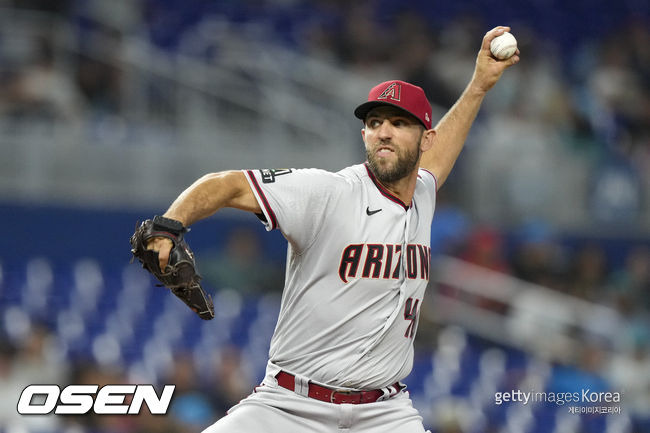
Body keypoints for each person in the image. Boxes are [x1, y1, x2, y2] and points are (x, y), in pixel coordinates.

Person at [144, 26, 519, 433]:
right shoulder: (328, 192)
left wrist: (479, 86)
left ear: (424, 139)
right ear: (364, 134)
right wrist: (168, 225)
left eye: (399, 122)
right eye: (375, 122)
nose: (385, 131)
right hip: (290, 406)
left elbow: (439, 157)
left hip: (384, 412)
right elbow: (228, 184)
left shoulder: (424, 190)